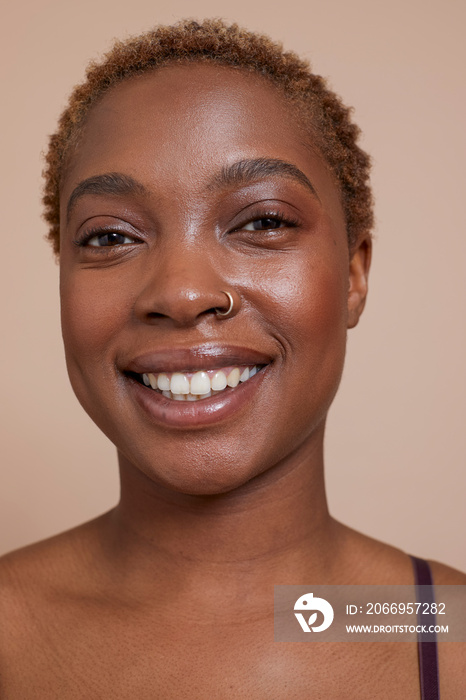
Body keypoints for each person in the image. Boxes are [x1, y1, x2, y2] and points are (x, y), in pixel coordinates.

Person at [0, 18, 464, 698]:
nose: (183, 292)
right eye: (111, 236)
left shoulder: (441, 630)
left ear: (355, 275)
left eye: (264, 222)